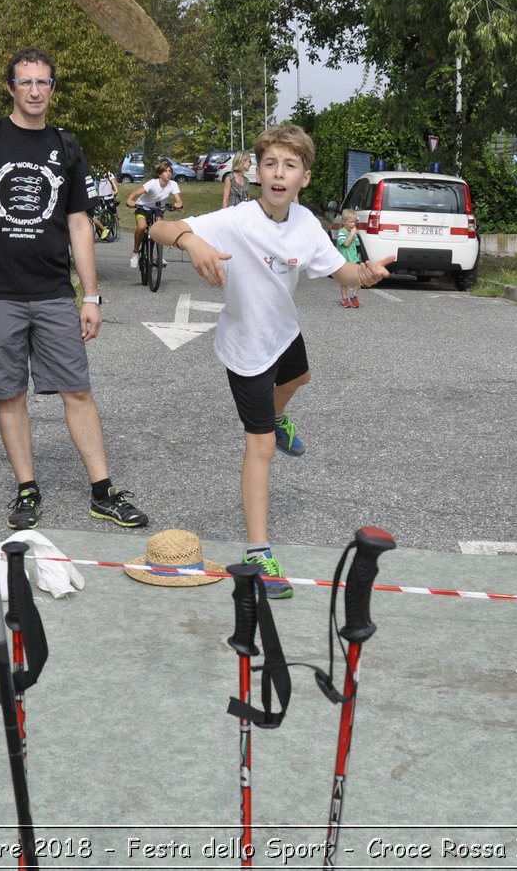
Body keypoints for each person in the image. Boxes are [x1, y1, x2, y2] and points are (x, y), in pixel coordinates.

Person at [0, 47, 150, 532]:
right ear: (11, 87)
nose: (35, 91)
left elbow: (79, 223)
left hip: (54, 292)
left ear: (52, 90)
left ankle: (103, 492)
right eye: (26, 82)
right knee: (10, 394)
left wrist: (92, 296)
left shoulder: (67, 146)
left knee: (77, 390)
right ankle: (27, 489)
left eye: (43, 83)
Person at [149, 124, 392, 596]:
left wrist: (364, 274)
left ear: (305, 176)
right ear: (257, 172)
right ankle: (259, 553)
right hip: (247, 349)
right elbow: (158, 226)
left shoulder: (307, 225)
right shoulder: (237, 220)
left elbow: (339, 271)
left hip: (284, 332)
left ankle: (279, 418)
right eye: (271, 164)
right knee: (259, 448)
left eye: (290, 165)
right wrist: (190, 241)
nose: (279, 174)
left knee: (302, 375)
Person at [129, 161, 183, 270]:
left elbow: (178, 200)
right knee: (141, 227)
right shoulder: (153, 183)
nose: (168, 173)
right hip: (142, 208)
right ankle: (135, 253)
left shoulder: (173, 184)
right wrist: (130, 200)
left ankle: (158, 257)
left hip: (158, 210)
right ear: (159, 174)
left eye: (170, 171)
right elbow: (135, 193)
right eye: (165, 171)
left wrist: (178, 204)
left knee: (159, 231)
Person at [334, 208, 364, 308]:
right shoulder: (341, 232)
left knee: (359, 279)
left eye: (354, 222)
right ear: (344, 221)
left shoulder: (353, 233)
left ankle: (354, 295)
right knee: (344, 282)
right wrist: (352, 234)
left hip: (354, 259)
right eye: (350, 222)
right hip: (344, 261)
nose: (353, 224)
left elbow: (356, 246)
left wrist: (354, 235)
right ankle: (344, 299)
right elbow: (346, 244)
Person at [90, 169, 119, 240]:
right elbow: (95, 186)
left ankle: (117, 231)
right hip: (101, 198)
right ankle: (102, 229)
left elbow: (115, 187)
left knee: (114, 214)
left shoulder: (109, 174)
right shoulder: (97, 175)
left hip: (109, 197)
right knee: (100, 214)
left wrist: (115, 191)